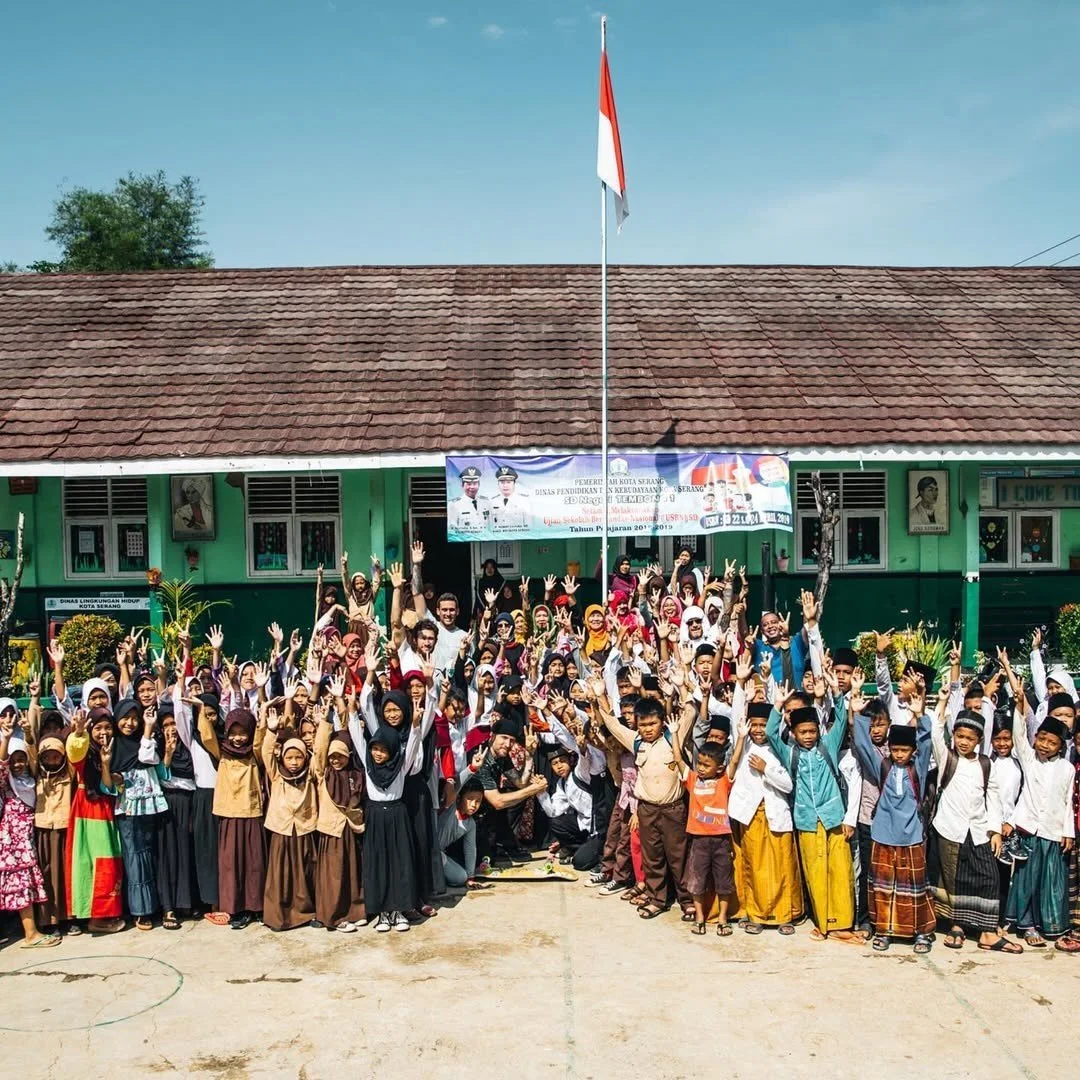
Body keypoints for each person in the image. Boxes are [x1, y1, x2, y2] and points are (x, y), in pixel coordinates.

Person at [767, 691, 860, 942]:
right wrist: (777, 706)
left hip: (834, 817)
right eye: (802, 732)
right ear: (794, 733)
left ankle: (842, 924)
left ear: (818, 730)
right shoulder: (789, 753)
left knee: (840, 871)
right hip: (807, 820)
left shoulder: (827, 746)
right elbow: (769, 733)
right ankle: (823, 923)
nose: (808, 736)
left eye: (812, 731)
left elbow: (841, 721)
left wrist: (838, 694)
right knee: (815, 872)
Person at [928, 700, 1019, 952]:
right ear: (954, 736)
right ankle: (956, 927)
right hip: (949, 827)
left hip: (979, 831)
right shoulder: (947, 759)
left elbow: (994, 797)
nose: (964, 742)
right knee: (952, 878)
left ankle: (987, 933)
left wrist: (995, 831)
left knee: (988, 877)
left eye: (970, 737)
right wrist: (943, 702)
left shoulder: (985, 764)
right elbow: (936, 734)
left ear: (979, 740)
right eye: (959, 736)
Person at [852, 695, 935, 954]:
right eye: (896, 749)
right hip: (883, 836)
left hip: (911, 838)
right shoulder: (883, 766)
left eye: (904, 750)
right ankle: (884, 930)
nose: (899, 754)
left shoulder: (917, 770)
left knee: (914, 888)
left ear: (912, 752)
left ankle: (920, 932)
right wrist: (859, 715)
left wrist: (921, 716)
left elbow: (926, 741)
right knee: (884, 887)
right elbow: (863, 744)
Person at [602, 696, 694, 921]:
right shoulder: (635, 742)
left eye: (652, 724)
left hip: (673, 809)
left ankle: (687, 900)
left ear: (661, 722)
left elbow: (690, 713)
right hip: (647, 810)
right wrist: (599, 695)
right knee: (652, 856)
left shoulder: (673, 737)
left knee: (678, 856)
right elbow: (612, 724)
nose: (648, 729)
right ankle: (657, 899)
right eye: (643, 724)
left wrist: (683, 685)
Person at [1004, 682, 1075, 948]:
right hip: (1029, 830)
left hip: (1053, 832)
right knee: (1027, 880)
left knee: (1050, 881)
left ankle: (1050, 924)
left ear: (1060, 746)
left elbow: (1068, 802)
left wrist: (1068, 831)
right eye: (1041, 739)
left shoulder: (1067, 769)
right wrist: (1019, 704)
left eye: (1051, 742)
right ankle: (1027, 924)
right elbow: (1019, 734)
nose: (1044, 745)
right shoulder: (1030, 759)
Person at [727, 696, 801, 935]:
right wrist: (740, 688)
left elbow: (788, 785)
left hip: (776, 814)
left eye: (763, 725)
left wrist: (766, 769)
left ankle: (785, 916)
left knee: (782, 867)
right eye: (754, 725)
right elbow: (737, 716)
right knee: (754, 866)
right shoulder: (744, 744)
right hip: (751, 816)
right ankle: (757, 915)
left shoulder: (779, 748)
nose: (758, 730)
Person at [198, 706, 267, 930]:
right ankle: (236, 908)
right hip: (229, 815)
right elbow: (207, 736)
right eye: (233, 732)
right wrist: (200, 710)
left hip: (251, 813)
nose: (238, 738)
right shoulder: (222, 752)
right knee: (231, 865)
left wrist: (263, 711)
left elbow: (260, 740)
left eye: (243, 732)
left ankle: (255, 906)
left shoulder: (254, 754)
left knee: (254, 863)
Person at [0, 713, 59, 948]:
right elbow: (1, 767)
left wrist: (26, 734)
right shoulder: (7, 784)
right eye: (13, 760)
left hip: (25, 839)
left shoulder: (28, 779)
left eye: (21, 758)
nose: (18, 764)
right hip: (14, 845)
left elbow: (34, 759)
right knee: (21, 885)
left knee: (25, 886)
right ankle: (31, 934)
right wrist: (5, 741)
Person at [65, 706, 125, 933]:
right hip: (88, 811)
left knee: (109, 862)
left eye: (108, 727)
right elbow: (74, 752)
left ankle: (104, 914)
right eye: (98, 728)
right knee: (93, 863)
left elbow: (113, 785)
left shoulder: (113, 751)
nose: (103, 732)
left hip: (106, 810)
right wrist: (79, 733)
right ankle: (96, 918)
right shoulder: (86, 752)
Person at [261, 706, 318, 933]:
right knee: (280, 875)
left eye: (298, 757)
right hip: (281, 829)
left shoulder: (310, 773)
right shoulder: (277, 775)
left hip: (303, 828)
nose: (294, 762)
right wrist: (272, 731)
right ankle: (278, 916)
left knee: (304, 874)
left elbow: (320, 753)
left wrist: (321, 725)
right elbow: (266, 753)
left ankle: (305, 913)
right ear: (282, 758)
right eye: (289, 757)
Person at [677, 740, 735, 937]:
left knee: (724, 882)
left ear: (719, 768)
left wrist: (742, 738)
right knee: (697, 881)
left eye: (706, 765)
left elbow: (734, 762)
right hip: (698, 840)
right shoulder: (692, 780)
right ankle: (700, 918)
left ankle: (722, 919)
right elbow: (678, 760)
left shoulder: (724, 781)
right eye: (699, 763)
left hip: (721, 840)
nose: (700, 768)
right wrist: (675, 735)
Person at [447, 465, 490, 532]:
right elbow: (452, 530)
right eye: (468, 484)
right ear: (462, 485)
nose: (472, 487)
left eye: (475, 483)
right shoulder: (454, 505)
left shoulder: (486, 502)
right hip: (465, 541)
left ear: (479, 485)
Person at [489, 465, 529, 529]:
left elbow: (529, 526)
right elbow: (490, 525)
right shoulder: (492, 501)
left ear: (514, 483)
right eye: (502, 482)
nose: (505, 485)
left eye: (508, 482)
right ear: (498, 484)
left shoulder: (524, 500)